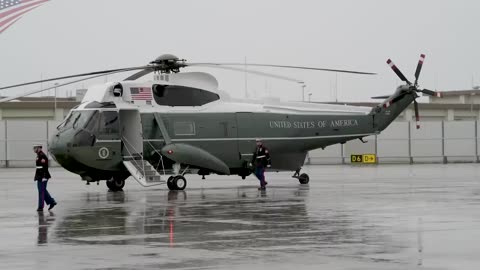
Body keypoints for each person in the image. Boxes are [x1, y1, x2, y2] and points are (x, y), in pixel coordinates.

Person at [33, 144, 57, 211]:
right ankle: (52, 202)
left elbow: (45, 168)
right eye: (34, 148)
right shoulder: (39, 155)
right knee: (42, 190)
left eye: (35, 148)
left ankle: (40, 207)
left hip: (43, 176)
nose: (34, 149)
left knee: (41, 191)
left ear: (39, 148)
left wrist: (44, 177)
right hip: (39, 176)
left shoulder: (42, 156)